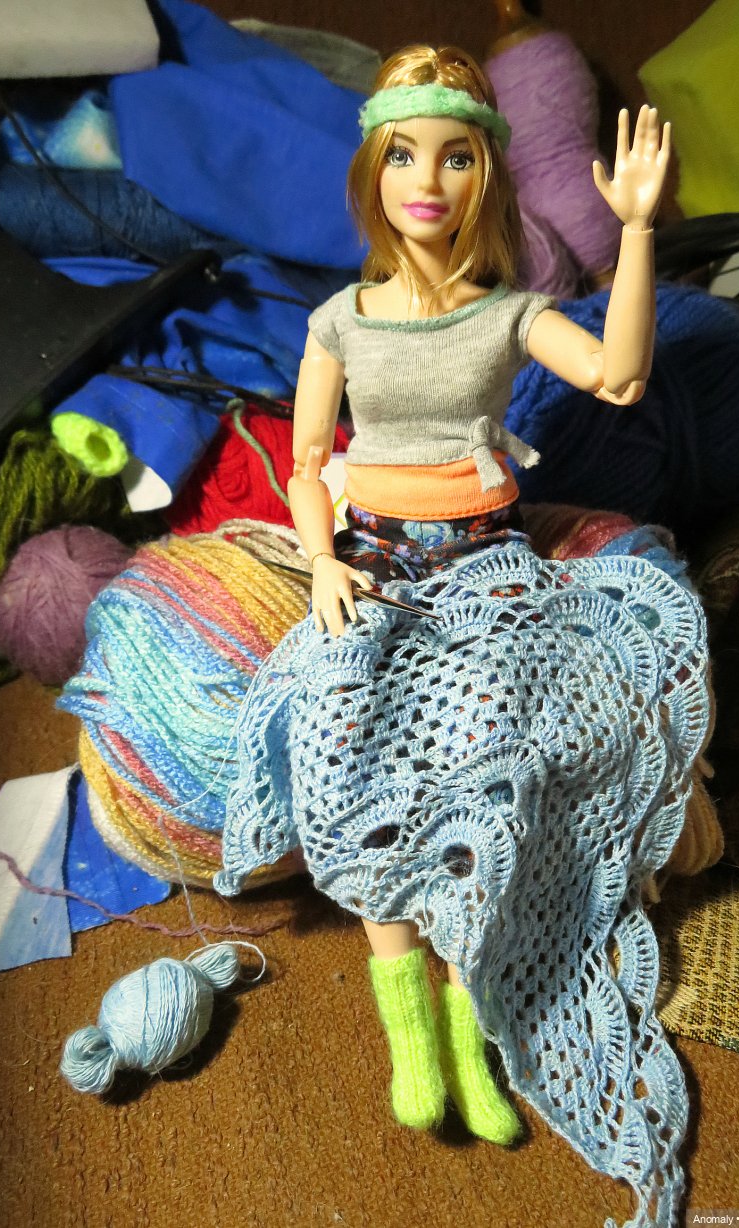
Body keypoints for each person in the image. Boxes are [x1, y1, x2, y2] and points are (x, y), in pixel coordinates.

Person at [285, 45, 672, 1143]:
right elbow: (306, 463)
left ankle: (469, 1024)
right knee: (347, 753)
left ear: (485, 176)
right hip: (370, 563)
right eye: (403, 154)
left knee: (488, 777)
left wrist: (636, 230)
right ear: (372, 169)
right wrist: (320, 560)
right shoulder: (339, 319)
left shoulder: (507, 314)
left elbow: (620, 376)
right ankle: (409, 1033)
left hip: (485, 569)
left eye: (456, 157)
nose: (428, 179)